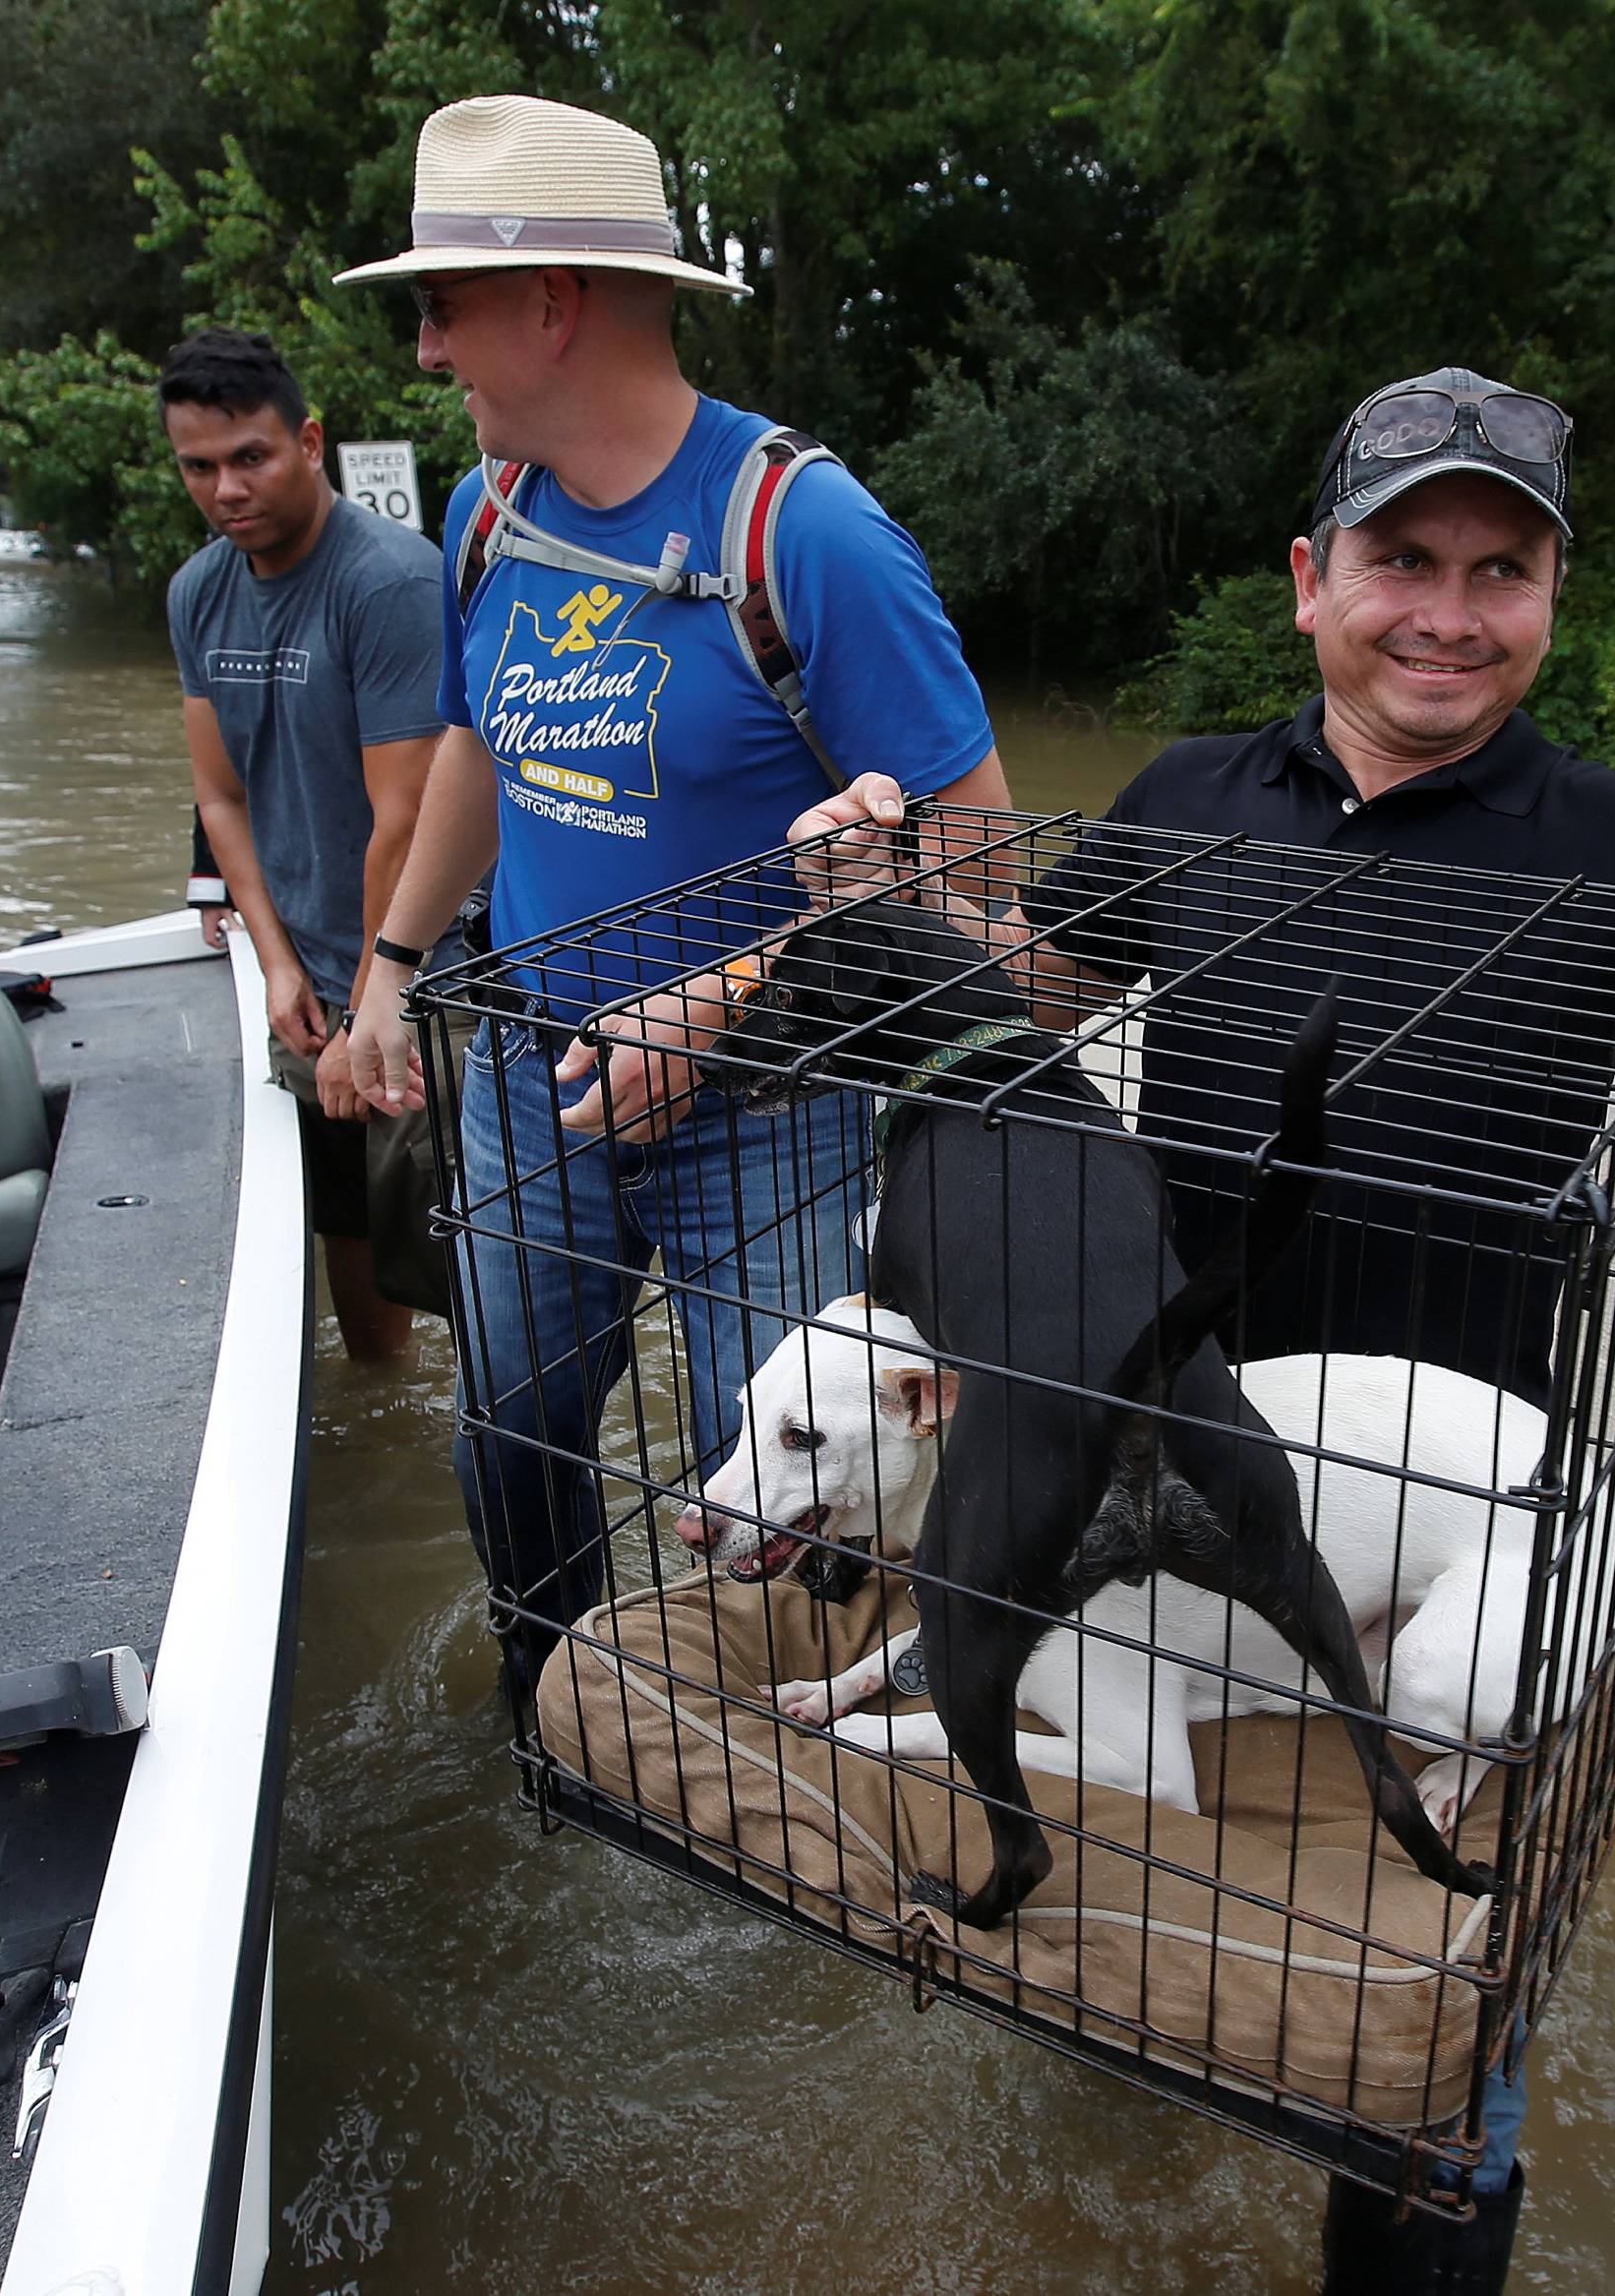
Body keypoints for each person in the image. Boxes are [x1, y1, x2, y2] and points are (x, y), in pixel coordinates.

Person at [779, 366, 1615, 2295]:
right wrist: (878, 898)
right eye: (1403, 559)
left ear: (1552, 599)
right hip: (1167, 1497)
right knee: (1109, 1974)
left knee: (1430, 2095)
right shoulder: (1189, 794)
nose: (1449, 611)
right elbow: (1029, 1008)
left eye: (1501, 569)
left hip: (1454, 1532)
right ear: (1311, 578)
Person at [333, 96, 1008, 1684]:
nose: (425, 351)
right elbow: (476, 744)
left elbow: (978, 860)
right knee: (513, 1440)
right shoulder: (487, 509)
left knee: (781, 1492)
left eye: (440, 307)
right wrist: (388, 964)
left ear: (549, 303)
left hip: (773, 1111)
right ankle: (548, 1723)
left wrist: (729, 993)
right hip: (524, 1074)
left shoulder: (804, 529)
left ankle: (773, 1807)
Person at [162, 328, 459, 1361]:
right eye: (199, 466)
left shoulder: (387, 585)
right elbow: (221, 794)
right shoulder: (197, 593)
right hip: (310, 977)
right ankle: (388, 1420)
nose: (226, 488)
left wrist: (367, 1009)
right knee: (348, 1230)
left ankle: (478, 1462)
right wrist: (279, 964)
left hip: (429, 978)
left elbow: (409, 819)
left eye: (251, 456)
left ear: (310, 442)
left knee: (452, 1247)